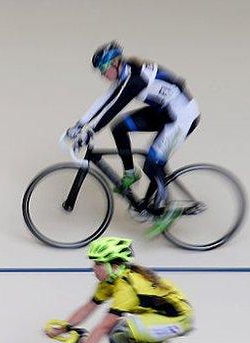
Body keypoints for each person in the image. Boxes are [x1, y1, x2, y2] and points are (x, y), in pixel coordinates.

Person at [65, 41, 200, 237]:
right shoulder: (125, 72)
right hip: (164, 111)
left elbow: (114, 107)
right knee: (120, 128)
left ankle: (167, 210)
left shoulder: (135, 79)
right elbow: (104, 100)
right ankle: (130, 174)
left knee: (151, 163)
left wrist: (90, 131)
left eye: (103, 69)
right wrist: (80, 124)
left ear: (115, 63)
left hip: (182, 117)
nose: (103, 75)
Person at [45, 237, 194, 343]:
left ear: (113, 266)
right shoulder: (110, 282)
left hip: (178, 319)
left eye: (98, 264)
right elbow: (88, 308)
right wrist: (62, 328)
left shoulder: (126, 286)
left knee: (118, 333)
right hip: (155, 317)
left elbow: (104, 326)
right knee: (122, 342)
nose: (93, 268)